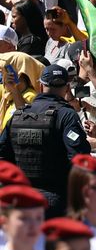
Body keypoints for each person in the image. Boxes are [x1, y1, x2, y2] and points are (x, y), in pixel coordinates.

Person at [0, 64, 90, 216]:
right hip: (55, 200)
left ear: (41, 86)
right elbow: (80, 158)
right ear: (67, 88)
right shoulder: (67, 115)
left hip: (20, 200)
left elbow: (2, 155)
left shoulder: (18, 115)